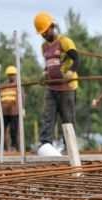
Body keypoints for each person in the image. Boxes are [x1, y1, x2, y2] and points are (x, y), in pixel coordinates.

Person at [34, 12, 80, 148]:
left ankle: (70, 147)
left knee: (67, 119)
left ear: (52, 27)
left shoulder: (64, 42)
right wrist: (45, 73)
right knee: (48, 117)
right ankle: (45, 145)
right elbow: (50, 63)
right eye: (41, 33)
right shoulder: (44, 46)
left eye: (45, 31)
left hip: (67, 87)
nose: (43, 35)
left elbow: (77, 59)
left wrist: (71, 72)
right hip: (51, 87)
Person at [1, 66, 25, 151]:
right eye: (9, 74)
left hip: (14, 111)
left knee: (13, 130)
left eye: (13, 74)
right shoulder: (3, 86)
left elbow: (22, 97)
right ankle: (2, 147)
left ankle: (13, 147)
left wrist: (23, 109)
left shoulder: (18, 85)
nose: (11, 76)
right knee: (1, 129)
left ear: (15, 75)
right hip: (3, 112)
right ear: (7, 75)